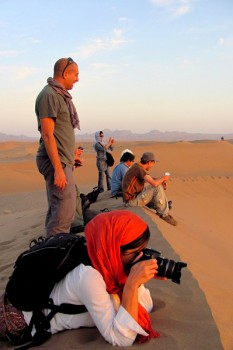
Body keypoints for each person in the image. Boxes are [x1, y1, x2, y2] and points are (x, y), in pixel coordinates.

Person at [0, 210, 162, 346]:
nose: (141, 257)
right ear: (113, 249)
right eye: (135, 253)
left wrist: (135, 279)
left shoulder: (107, 265)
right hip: (15, 321)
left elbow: (146, 304)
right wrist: (132, 285)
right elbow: (122, 338)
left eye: (144, 251)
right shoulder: (89, 276)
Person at [35, 57, 80, 237]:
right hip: (56, 162)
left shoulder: (59, 95)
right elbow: (47, 134)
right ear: (65, 73)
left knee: (61, 210)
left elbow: (60, 133)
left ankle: (53, 249)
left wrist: (71, 155)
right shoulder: (49, 95)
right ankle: (55, 255)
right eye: (75, 74)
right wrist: (58, 169)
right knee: (63, 212)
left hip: (62, 160)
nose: (77, 79)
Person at [122, 152, 177, 226]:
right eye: (153, 163)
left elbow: (149, 179)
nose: (152, 165)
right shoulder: (139, 169)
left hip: (133, 197)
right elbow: (154, 183)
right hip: (131, 202)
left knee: (154, 188)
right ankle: (164, 214)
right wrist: (163, 178)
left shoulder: (137, 167)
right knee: (156, 188)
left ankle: (163, 206)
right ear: (149, 162)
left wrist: (160, 180)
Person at [70, 146, 85, 233]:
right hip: (62, 176)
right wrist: (73, 157)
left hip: (66, 174)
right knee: (74, 195)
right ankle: (76, 225)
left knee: (76, 194)